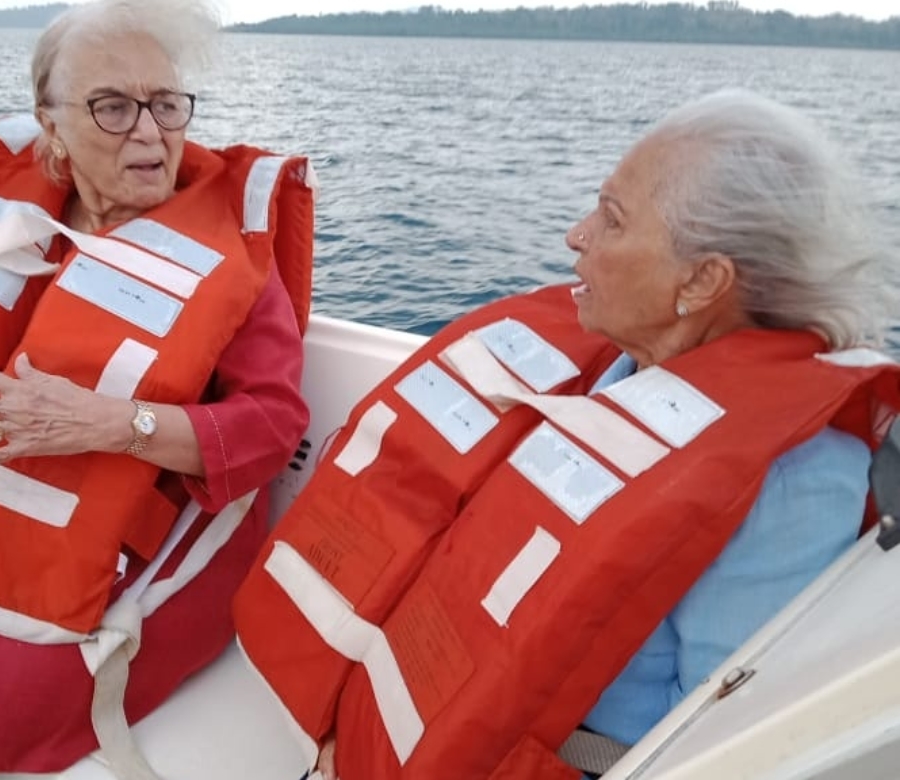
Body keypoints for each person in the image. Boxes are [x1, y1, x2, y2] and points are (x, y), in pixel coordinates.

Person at [232, 89, 900, 780]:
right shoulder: (600, 374)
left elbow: (710, 749)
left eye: (611, 220)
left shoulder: (795, 478)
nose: (576, 235)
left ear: (702, 281)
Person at [0, 0, 314, 777]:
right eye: (113, 106)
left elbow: (271, 427)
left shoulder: (233, 256)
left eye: (166, 104)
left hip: (84, 578)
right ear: (50, 123)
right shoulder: (0, 206)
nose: (150, 131)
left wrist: (111, 423)